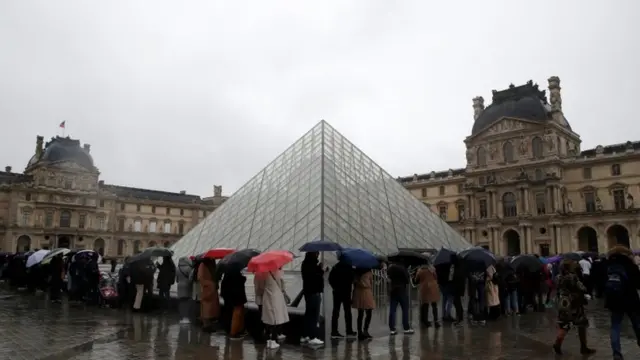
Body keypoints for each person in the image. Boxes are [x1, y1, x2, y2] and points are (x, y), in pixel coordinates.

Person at [552, 259, 595, 356]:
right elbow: (582, 288)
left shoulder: (558, 277)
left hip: (563, 304)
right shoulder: (573, 277)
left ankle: (557, 343)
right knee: (581, 325)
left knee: (564, 325)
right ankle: (583, 347)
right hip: (575, 304)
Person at [605, 245, 640, 360]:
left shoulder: (608, 265)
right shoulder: (630, 265)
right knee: (637, 325)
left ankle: (616, 353)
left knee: (615, 326)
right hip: (630, 299)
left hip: (614, 300)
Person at [260, 269, 290, 350]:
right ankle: (273, 340)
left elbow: (261, 287)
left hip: (267, 298)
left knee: (269, 319)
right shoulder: (277, 272)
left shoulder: (263, 273)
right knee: (276, 320)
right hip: (276, 298)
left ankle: (269, 340)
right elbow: (282, 286)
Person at [300, 252, 325, 346]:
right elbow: (315, 278)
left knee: (308, 315)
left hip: (308, 293)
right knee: (314, 316)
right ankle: (313, 337)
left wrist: (319, 269)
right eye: (317, 254)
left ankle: (305, 335)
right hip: (314, 292)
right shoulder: (312, 265)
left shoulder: (305, 264)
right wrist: (320, 270)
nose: (318, 255)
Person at [329, 260, 356, 338]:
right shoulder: (349, 267)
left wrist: (334, 287)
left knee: (335, 312)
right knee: (347, 312)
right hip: (346, 292)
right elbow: (352, 279)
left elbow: (330, 279)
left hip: (337, 292)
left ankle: (334, 331)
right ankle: (349, 331)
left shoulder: (335, 267)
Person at [387, 262, 414, 335]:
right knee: (405, 309)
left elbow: (388, 277)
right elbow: (407, 281)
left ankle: (392, 329)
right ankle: (406, 328)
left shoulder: (391, 268)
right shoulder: (403, 268)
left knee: (392, 310)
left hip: (393, 290)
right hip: (402, 290)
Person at [220, 270, 247, 340]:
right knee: (237, 312)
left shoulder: (227, 273)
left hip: (228, 294)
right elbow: (236, 282)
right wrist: (243, 278)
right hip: (236, 294)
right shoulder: (235, 272)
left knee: (228, 311)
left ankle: (230, 330)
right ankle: (233, 333)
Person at [351, 268, 375, 340]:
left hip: (358, 292)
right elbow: (371, 283)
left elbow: (354, 284)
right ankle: (365, 330)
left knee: (360, 313)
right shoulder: (369, 272)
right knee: (369, 312)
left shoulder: (356, 273)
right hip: (367, 292)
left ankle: (360, 332)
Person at [198, 258, 220, 332]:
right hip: (207, 290)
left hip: (211, 290)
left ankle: (208, 325)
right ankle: (206, 325)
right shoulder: (203, 265)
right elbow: (200, 278)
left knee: (209, 308)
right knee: (206, 308)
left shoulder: (210, 266)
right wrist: (210, 284)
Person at [176, 257, 194, 325]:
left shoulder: (177, 268)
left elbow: (176, 280)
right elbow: (191, 278)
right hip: (187, 286)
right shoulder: (189, 268)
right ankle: (186, 317)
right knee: (187, 302)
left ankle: (182, 317)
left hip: (179, 286)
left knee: (181, 302)